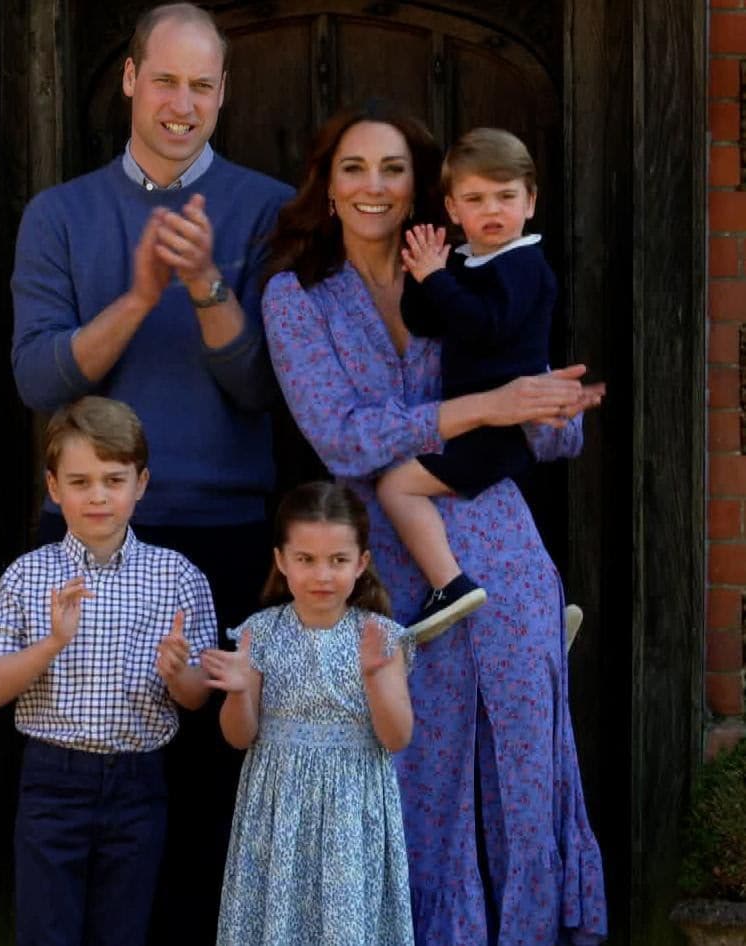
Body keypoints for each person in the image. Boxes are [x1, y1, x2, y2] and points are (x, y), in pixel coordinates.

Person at [261, 100, 608, 945]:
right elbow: (344, 438)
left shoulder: (474, 266)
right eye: (354, 168)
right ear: (328, 187)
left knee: (526, 761)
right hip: (391, 567)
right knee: (415, 768)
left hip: (503, 546)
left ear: (425, 190)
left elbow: (552, 431)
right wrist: (487, 404)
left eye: (392, 169)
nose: (374, 186)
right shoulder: (296, 296)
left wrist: (551, 407)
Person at [9, 5, 293, 942]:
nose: (182, 104)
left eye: (201, 85)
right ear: (129, 79)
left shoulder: (269, 210)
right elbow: (39, 377)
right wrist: (137, 297)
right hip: (92, 536)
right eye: (164, 81)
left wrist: (208, 284)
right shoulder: (61, 214)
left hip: (226, 535)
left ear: (223, 93)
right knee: (94, 781)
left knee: (213, 785)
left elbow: (263, 390)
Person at [0, 397, 215, 946]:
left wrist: (179, 674)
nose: (99, 496)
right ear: (54, 488)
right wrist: (54, 643)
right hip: (52, 783)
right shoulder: (28, 575)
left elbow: (198, 697)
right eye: (80, 482)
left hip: (137, 783)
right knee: (46, 933)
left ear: (141, 483)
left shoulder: (176, 576)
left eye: (114, 479)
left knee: (123, 933)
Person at [201, 481, 415, 946]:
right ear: (281, 560)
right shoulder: (260, 632)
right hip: (278, 809)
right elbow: (239, 737)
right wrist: (238, 692)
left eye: (338, 560)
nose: (322, 574)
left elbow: (397, 737)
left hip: (352, 810)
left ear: (361, 563)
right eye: (306, 559)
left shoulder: (380, 637)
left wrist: (377, 678)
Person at [375, 127, 560, 643]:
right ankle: (533, 615)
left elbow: (484, 326)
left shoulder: (524, 265)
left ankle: (449, 585)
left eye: (506, 196)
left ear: (531, 201)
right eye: (476, 199)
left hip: (499, 430)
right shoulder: (467, 261)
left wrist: (439, 278)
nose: (492, 210)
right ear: (454, 210)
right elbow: (426, 322)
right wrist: (422, 274)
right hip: (474, 423)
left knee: (396, 485)